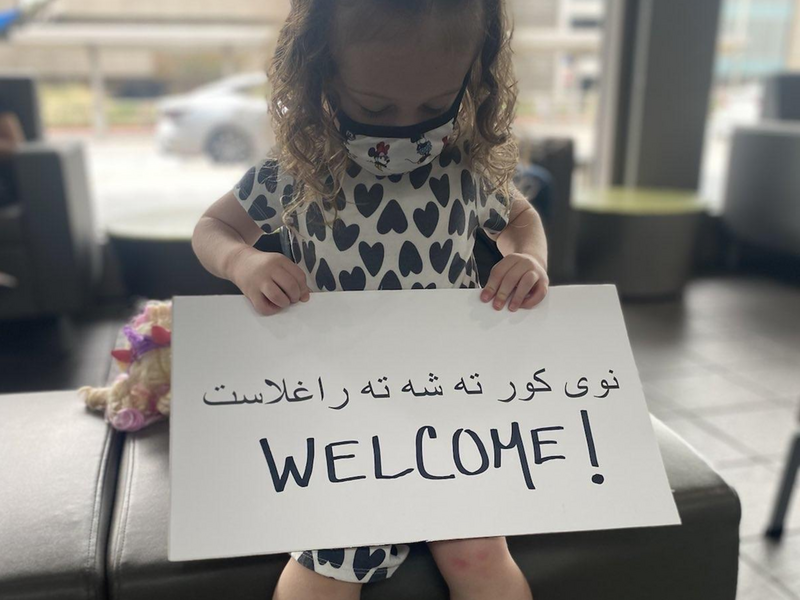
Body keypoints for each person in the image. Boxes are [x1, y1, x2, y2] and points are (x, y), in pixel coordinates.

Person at [191, 1, 548, 598]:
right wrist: (243, 262)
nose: (406, 128)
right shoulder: (296, 167)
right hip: (334, 405)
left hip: (448, 401)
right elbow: (213, 228)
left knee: (479, 552)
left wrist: (529, 258)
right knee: (329, 562)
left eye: (436, 106)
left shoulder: (464, 166)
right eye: (375, 107)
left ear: (472, 78)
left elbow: (522, 218)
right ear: (322, 74)